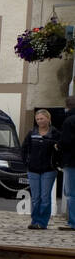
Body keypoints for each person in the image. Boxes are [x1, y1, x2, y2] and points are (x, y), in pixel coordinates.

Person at [20, 109, 59, 230]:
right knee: (36, 197)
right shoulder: (32, 133)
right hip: (33, 169)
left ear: (48, 118)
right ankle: (35, 220)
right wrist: (27, 162)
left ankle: (42, 222)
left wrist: (57, 163)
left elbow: (62, 149)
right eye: (37, 119)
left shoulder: (55, 133)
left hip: (49, 169)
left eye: (42, 118)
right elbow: (24, 149)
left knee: (45, 197)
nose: (40, 121)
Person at [59, 97, 75, 232]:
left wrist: (58, 146)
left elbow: (65, 142)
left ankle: (73, 222)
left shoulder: (69, 121)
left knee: (71, 193)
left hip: (71, 161)